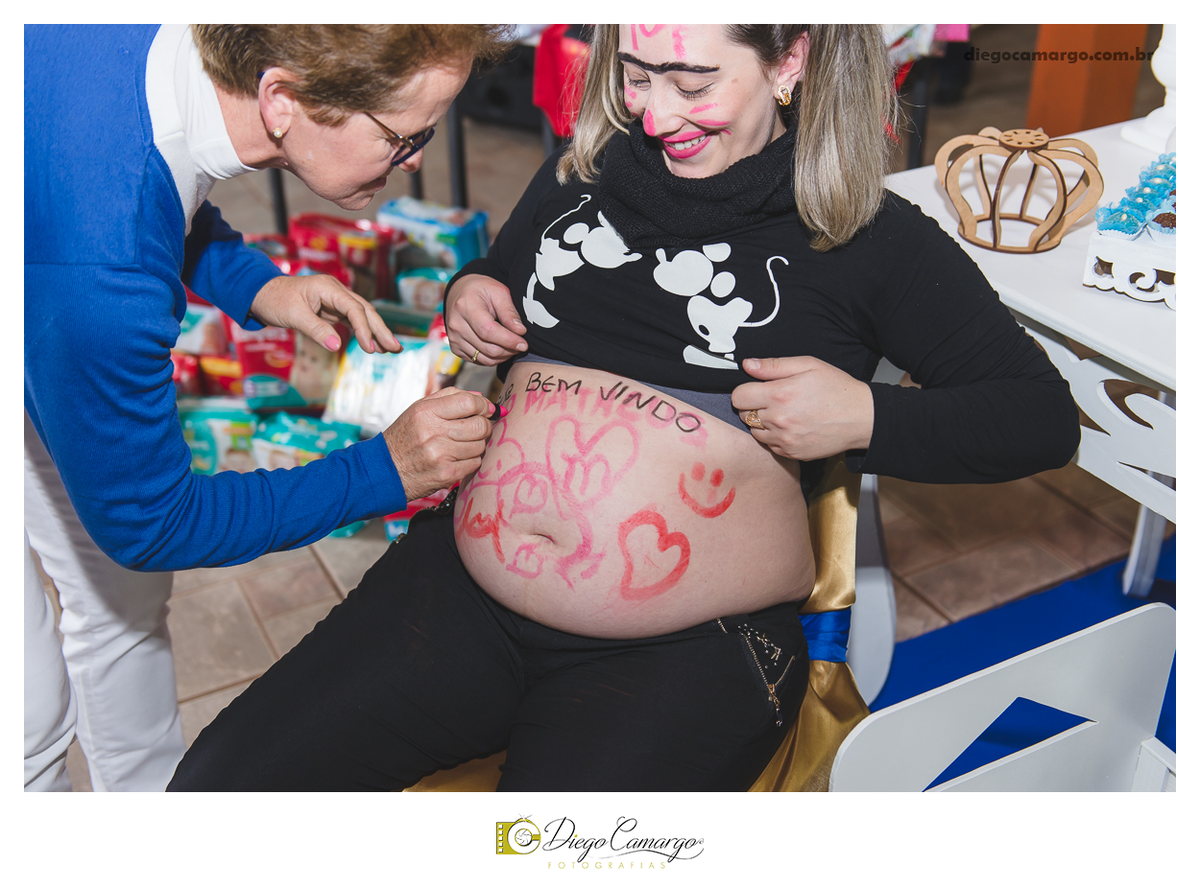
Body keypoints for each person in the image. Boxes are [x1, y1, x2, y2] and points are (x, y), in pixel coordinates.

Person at [168, 24, 1080, 791]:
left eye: (693, 80)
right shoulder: (581, 170)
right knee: (221, 790)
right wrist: (472, 289)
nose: (656, 113)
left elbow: (1039, 417)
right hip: (459, 596)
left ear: (790, 60)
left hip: (685, 654)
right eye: (637, 76)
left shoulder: (866, 237)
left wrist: (868, 419)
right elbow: (502, 273)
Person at [24, 24, 511, 791]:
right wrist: (382, 471)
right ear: (283, 99)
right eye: (403, 137)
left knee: (119, 605)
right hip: (54, 278)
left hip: (49, 259)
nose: (414, 161)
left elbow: (162, 186)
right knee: (26, 709)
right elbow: (150, 524)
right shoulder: (103, 279)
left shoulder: (172, 65)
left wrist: (256, 283)